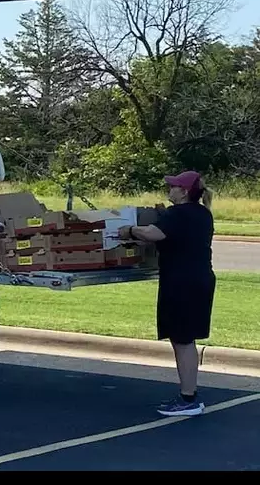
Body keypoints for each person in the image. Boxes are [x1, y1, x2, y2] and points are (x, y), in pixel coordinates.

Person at [118, 171, 215, 417]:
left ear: (184, 192)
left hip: (182, 281)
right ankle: (189, 394)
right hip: (200, 278)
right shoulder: (202, 213)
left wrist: (128, 230)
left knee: (182, 340)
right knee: (185, 339)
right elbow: (173, 237)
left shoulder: (178, 214)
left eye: (173, 186)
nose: (169, 189)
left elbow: (153, 234)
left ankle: (188, 399)